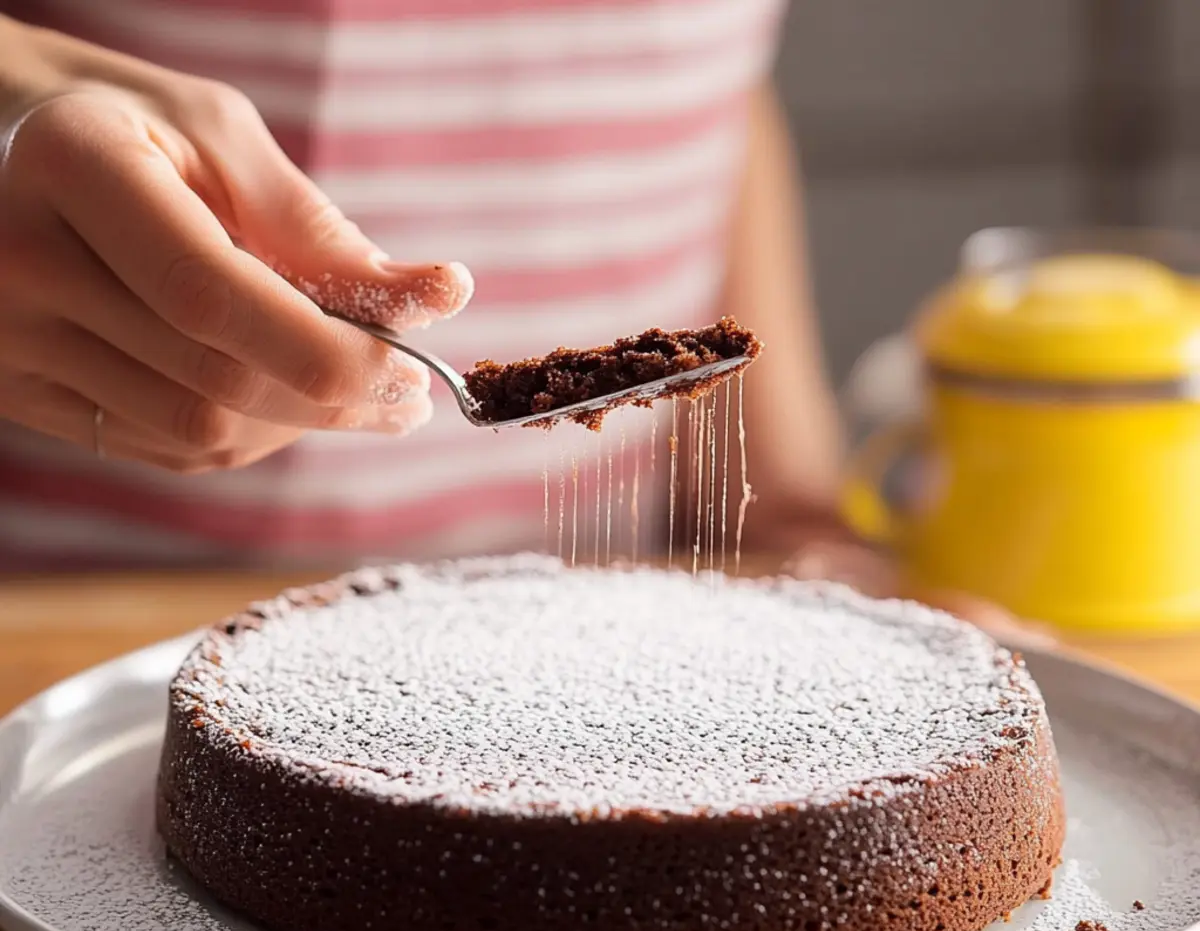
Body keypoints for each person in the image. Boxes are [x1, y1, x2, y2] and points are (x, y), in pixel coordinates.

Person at [0, 3, 1042, 642]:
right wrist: (18, 98)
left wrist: (783, 509)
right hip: (94, 614)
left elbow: (694, 71)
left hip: (608, 623)